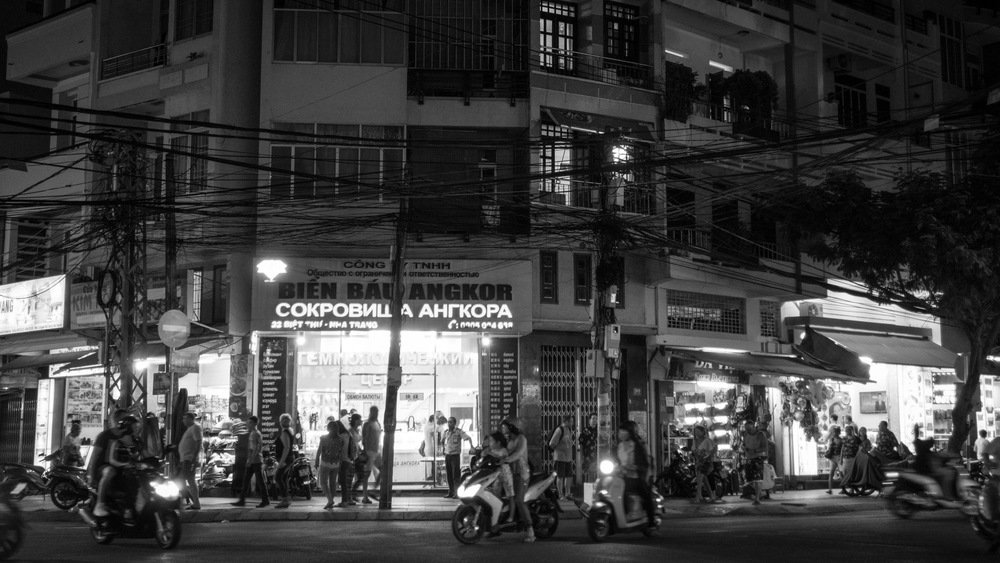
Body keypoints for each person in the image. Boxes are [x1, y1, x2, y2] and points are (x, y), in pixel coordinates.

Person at [612, 421, 656, 527]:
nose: (620, 433)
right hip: (621, 478)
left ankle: (651, 522)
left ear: (630, 432)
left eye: (623, 431)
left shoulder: (638, 446)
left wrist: (636, 468)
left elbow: (644, 463)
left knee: (645, 495)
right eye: (620, 431)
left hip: (636, 478)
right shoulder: (619, 446)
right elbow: (616, 461)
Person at [89, 410, 131, 517]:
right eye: (125, 420)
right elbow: (94, 456)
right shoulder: (104, 436)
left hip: (122, 467)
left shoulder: (128, 436)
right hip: (104, 467)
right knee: (110, 471)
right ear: (117, 421)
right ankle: (100, 504)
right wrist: (91, 475)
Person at [501, 416, 535, 543]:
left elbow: (518, 453)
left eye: (505, 425)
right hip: (510, 473)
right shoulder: (508, 439)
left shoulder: (521, 439)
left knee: (519, 500)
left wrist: (506, 459)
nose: (503, 428)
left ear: (512, 427)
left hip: (521, 474)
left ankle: (530, 529)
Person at [232, 415, 269, 508]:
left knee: (260, 482)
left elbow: (257, 448)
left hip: (256, 461)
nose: (247, 424)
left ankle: (265, 500)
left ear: (254, 423)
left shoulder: (256, 433)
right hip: (252, 461)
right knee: (246, 481)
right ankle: (242, 500)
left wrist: (251, 459)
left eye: (249, 423)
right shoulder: (252, 433)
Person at [483, 431, 515, 523]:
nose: (490, 443)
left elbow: (500, 457)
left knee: (510, 495)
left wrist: (490, 453)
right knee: (496, 494)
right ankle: (498, 514)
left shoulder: (503, 450)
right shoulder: (492, 451)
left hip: (505, 475)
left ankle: (511, 517)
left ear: (498, 443)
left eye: (491, 441)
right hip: (496, 475)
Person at [356, 406, 382, 504]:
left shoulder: (376, 423)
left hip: (376, 451)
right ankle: (366, 495)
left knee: (382, 471)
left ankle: (372, 491)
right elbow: (364, 438)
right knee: (366, 475)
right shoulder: (368, 424)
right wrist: (366, 450)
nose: (376, 413)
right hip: (370, 451)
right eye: (375, 411)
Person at [442, 416, 473, 499]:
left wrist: (472, 446)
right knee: (449, 475)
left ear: (454, 423)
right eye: (448, 422)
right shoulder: (446, 432)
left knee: (455, 476)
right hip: (447, 456)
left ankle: (457, 493)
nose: (449, 424)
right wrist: (443, 450)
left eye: (451, 422)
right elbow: (442, 441)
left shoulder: (458, 432)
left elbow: (468, 438)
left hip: (455, 456)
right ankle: (451, 492)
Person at [314, 420, 342, 509]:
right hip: (336, 464)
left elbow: (319, 450)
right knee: (333, 483)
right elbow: (340, 452)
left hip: (325, 463)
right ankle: (331, 500)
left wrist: (316, 460)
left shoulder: (324, 438)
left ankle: (330, 500)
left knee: (323, 482)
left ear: (328, 428)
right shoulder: (340, 439)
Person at [178, 411, 203, 511]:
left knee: (186, 479)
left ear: (190, 419)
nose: (183, 421)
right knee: (187, 480)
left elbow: (198, 442)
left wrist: (193, 458)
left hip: (189, 459)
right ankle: (194, 501)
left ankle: (194, 501)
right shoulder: (190, 429)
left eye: (185, 418)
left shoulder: (195, 428)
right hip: (185, 458)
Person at [741, 420, 769, 505]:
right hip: (749, 458)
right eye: (746, 429)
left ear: (754, 426)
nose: (748, 430)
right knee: (751, 479)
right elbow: (744, 444)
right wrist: (743, 448)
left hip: (758, 458)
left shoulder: (760, 434)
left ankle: (757, 498)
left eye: (750, 428)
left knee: (758, 479)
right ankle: (759, 494)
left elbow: (765, 447)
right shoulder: (745, 435)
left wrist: (755, 451)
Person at [548, 414, 575, 501]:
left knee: (569, 476)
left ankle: (567, 493)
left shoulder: (568, 429)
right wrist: (556, 451)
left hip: (568, 458)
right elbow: (551, 444)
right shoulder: (560, 430)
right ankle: (560, 495)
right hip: (560, 458)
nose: (573, 423)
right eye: (571, 421)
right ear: (566, 422)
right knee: (560, 476)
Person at [337, 414, 362, 507]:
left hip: (344, 461)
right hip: (351, 461)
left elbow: (341, 450)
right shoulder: (348, 434)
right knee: (348, 483)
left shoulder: (342, 436)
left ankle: (345, 501)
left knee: (344, 483)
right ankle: (349, 499)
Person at [692, 424, 720, 503]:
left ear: (702, 432)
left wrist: (709, 454)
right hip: (698, 462)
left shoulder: (707, 440)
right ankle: (711, 495)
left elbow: (715, 447)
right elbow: (693, 450)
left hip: (706, 462)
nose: (697, 433)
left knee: (699, 479)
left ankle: (698, 497)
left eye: (698, 431)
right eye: (695, 431)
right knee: (704, 480)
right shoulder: (695, 441)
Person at [273, 413, 296, 509]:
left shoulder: (285, 432)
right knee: (284, 478)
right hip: (289, 457)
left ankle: (285, 499)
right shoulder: (290, 431)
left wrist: (281, 462)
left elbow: (286, 448)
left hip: (286, 458)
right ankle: (286, 500)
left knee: (278, 477)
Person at [838, 425, 861, 494]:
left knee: (852, 474)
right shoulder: (844, 438)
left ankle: (853, 488)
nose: (846, 432)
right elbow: (842, 448)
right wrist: (841, 457)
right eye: (846, 430)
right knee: (844, 473)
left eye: (848, 430)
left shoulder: (856, 438)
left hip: (853, 458)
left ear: (851, 430)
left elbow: (860, 447)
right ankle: (845, 487)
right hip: (845, 458)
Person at [579, 413, 598, 482]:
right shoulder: (585, 431)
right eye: (593, 418)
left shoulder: (599, 430)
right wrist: (581, 455)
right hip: (589, 456)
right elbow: (581, 443)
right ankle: (591, 490)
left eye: (596, 419)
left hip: (598, 455)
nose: (595, 420)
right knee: (591, 473)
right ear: (589, 420)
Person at [824, 426, 843, 494]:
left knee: (841, 474)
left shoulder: (841, 440)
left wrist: (841, 458)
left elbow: (842, 450)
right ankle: (830, 489)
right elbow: (829, 448)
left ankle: (843, 489)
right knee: (831, 473)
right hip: (833, 458)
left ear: (838, 432)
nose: (834, 433)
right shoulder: (831, 439)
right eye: (833, 432)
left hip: (839, 457)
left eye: (836, 432)